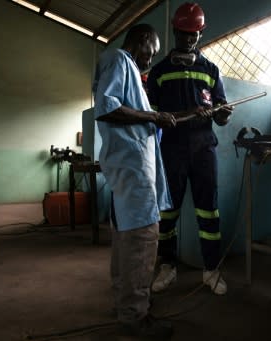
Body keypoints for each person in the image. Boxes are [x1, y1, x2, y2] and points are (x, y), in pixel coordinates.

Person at [92, 23, 177, 339]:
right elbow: (107, 108)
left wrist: (158, 116)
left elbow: (127, 113)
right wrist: (154, 116)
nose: (150, 61)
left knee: (127, 239)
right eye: (151, 52)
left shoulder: (126, 70)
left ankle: (124, 304)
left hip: (130, 168)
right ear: (142, 40)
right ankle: (135, 318)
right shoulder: (119, 60)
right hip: (132, 168)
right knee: (143, 239)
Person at [147, 2, 234, 295]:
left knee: (208, 211)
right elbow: (152, 117)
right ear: (174, 30)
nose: (188, 39)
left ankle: (211, 270)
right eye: (183, 33)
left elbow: (220, 110)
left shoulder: (211, 69)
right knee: (167, 212)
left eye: (193, 35)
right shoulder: (159, 72)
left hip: (203, 151)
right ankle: (168, 267)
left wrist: (222, 114)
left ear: (200, 34)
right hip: (171, 150)